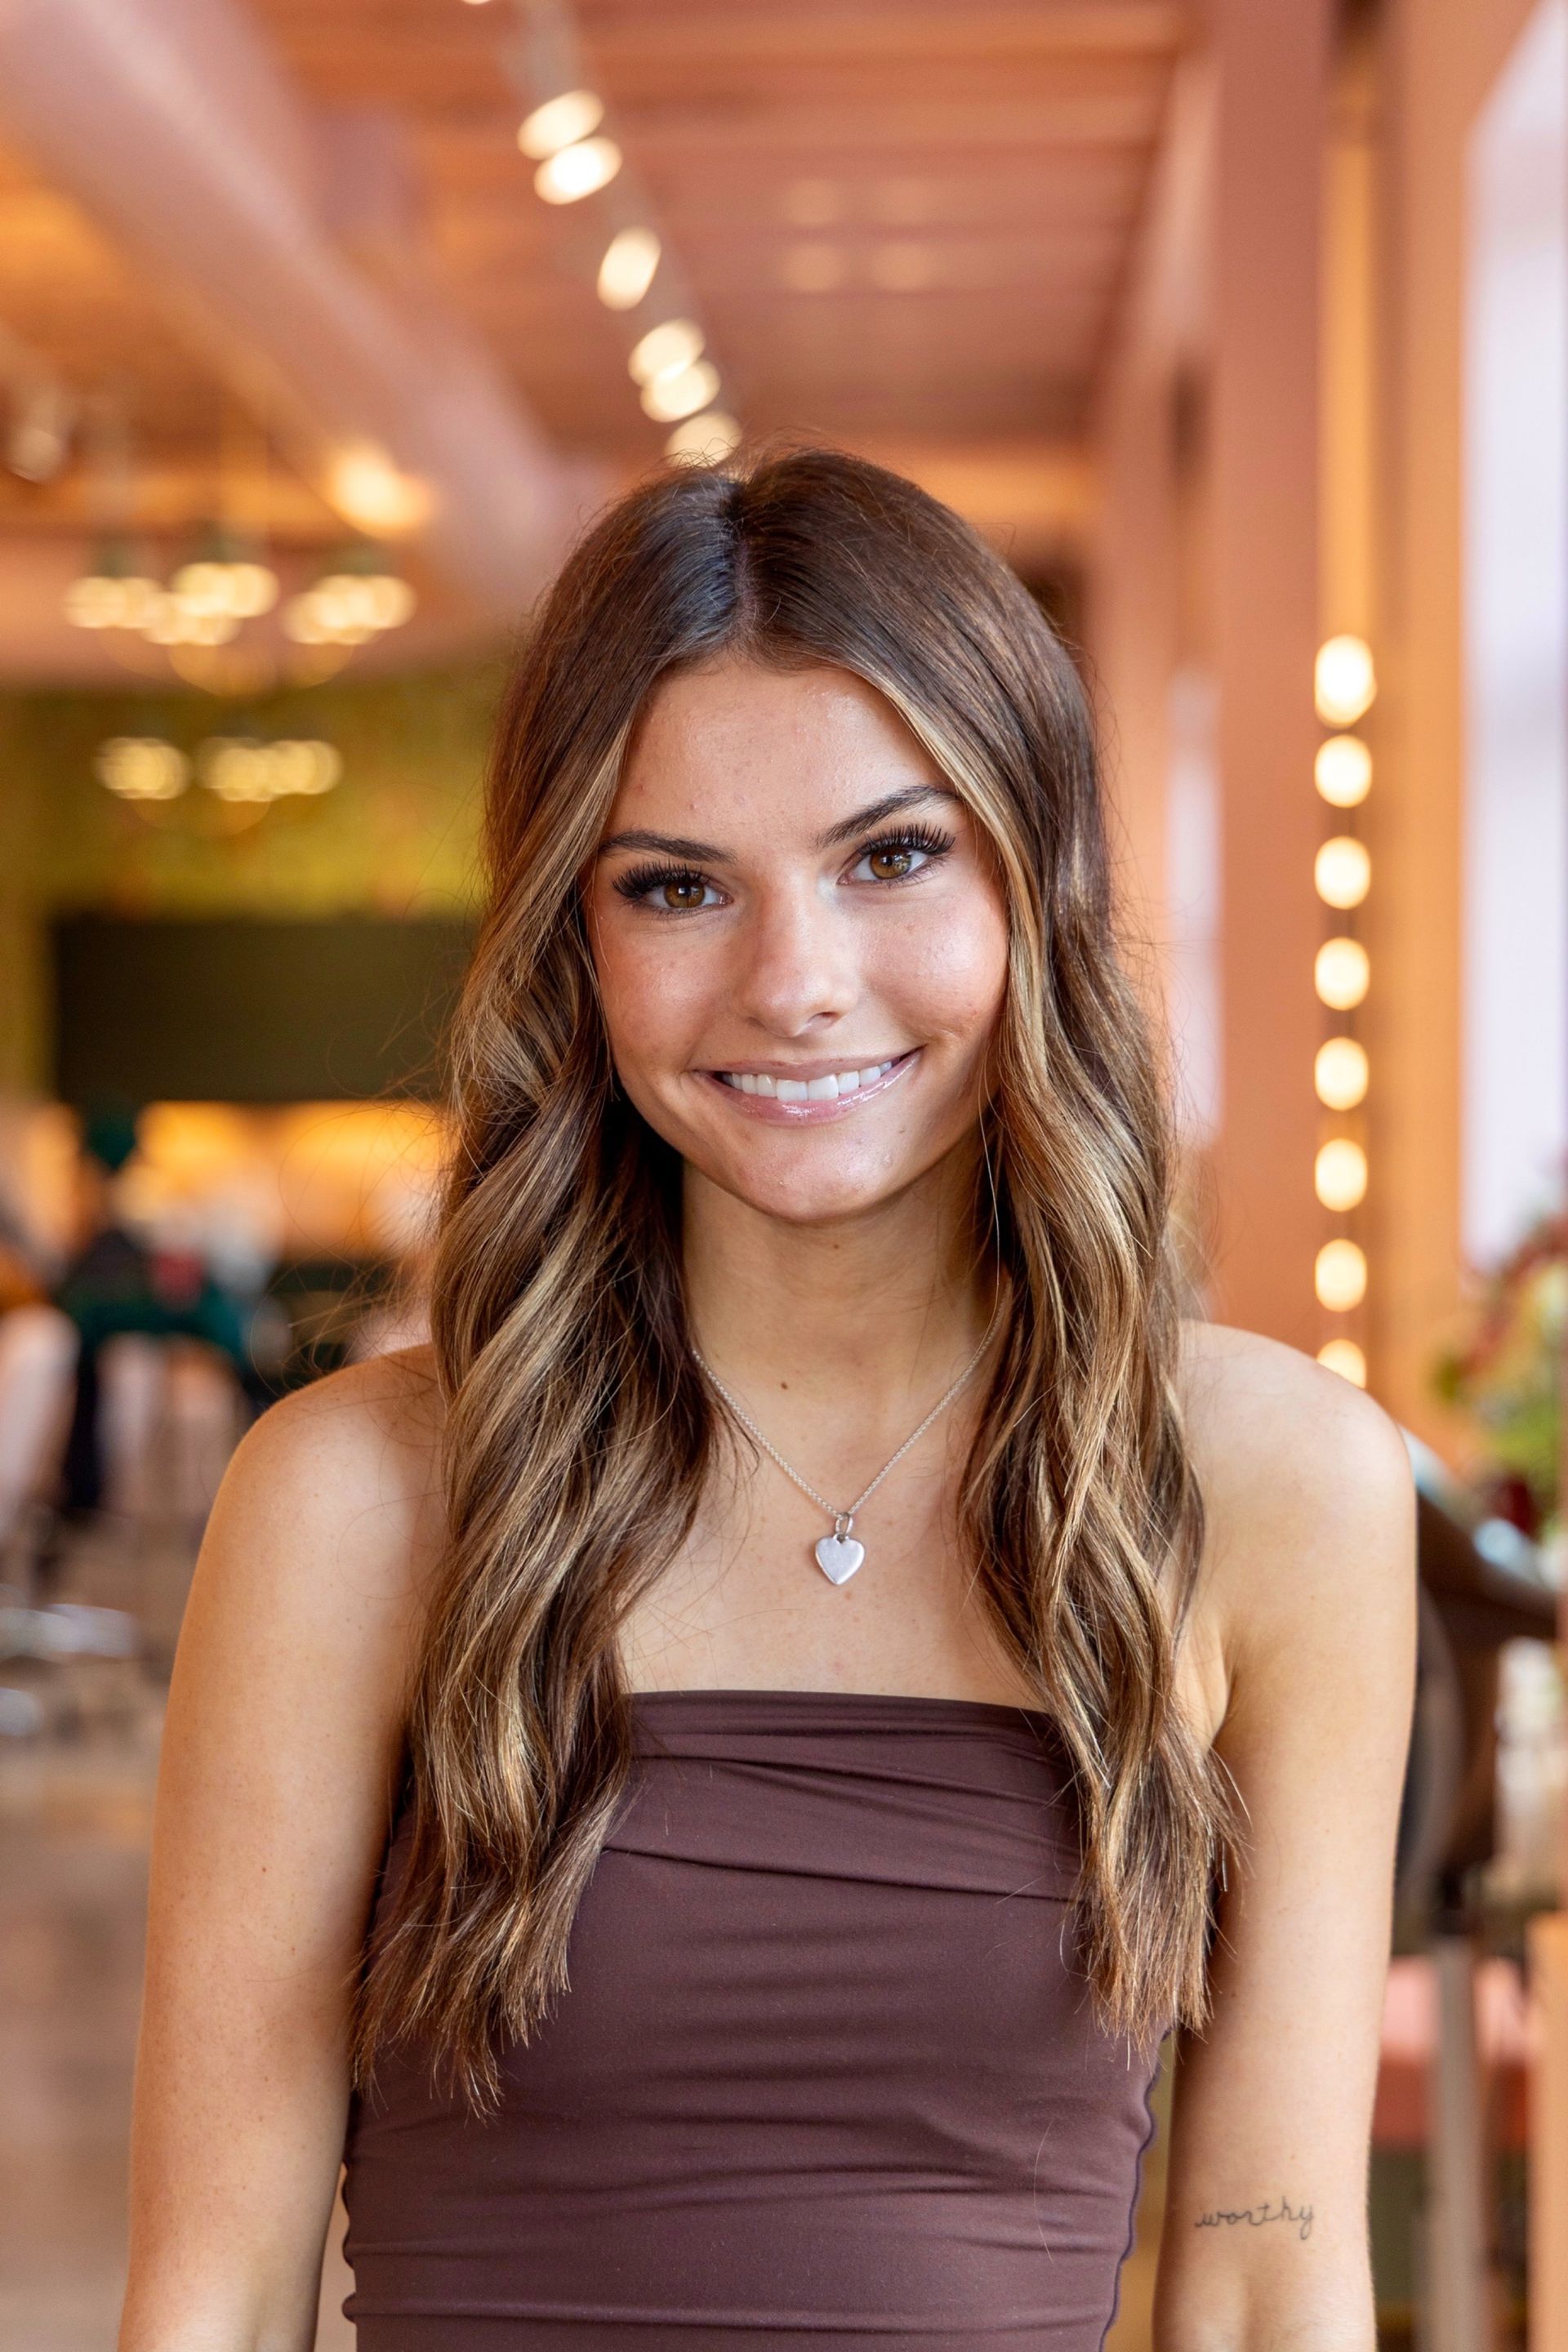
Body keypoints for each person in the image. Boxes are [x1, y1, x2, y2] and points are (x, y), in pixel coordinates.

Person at [119, 451, 1415, 2352]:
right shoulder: (358, 1500)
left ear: (1031, 882)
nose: (794, 983)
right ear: (576, 936)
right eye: (676, 887)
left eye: (892, 857)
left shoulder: (1275, 1482)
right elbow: (212, 2299)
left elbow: (1268, 2270)